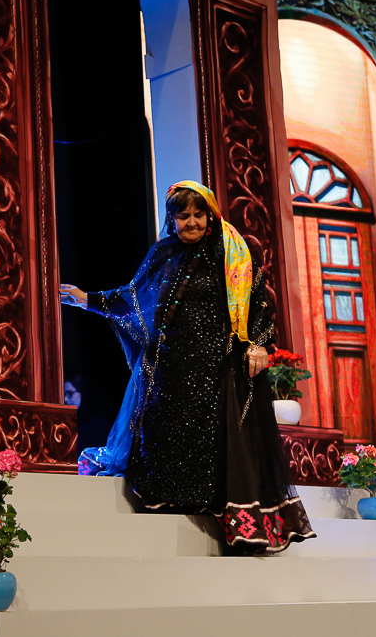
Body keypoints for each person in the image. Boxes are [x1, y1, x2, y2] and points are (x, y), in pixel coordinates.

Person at [60, 180, 315, 553]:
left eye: (198, 214)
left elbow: (258, 301)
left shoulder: (232, 253)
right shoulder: (164, 254)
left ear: (210, 215)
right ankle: (174, 508)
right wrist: (89, 300)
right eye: (184, 216)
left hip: (220, 367)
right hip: (172, 369)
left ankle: (231, 522)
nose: (192, 222)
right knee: (167, 435)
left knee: (220, 442)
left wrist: (259, 343)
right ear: (172, 218)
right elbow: (135, 298)